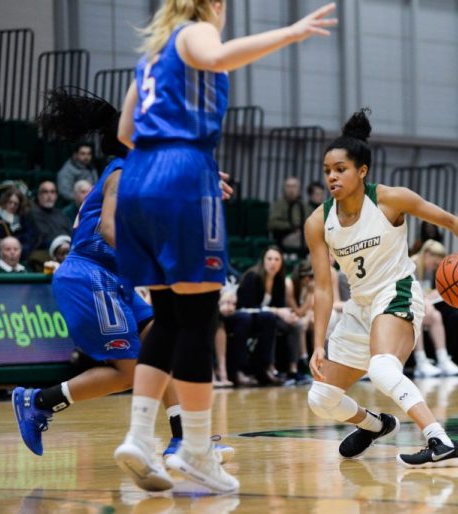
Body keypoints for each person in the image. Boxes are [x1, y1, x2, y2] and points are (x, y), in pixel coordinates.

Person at [112, 0, 337, 494]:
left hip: (139, 178)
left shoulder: (151, 55)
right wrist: (291, 33)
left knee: (168, 317)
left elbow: (126, 132)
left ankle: (138, 437)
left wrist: (175, 161)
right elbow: (215, 56)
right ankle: (196, 450)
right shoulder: (195, 31)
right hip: (182, 174)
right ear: (214, 5)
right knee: (198, 317)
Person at [12, 89, 233, 469]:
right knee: (127, 371)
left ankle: (183, 439)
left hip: (111, 278)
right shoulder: (122, 171)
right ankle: (37, 402)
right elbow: (110, 228)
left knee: (165, 341)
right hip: (89, 274)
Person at [305, 109, 458, 468]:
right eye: (327, 170)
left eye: (341, 169)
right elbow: (323, 289)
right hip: (360, 306)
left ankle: (441, 442)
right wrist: (318, 343)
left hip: (396, 292)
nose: (332, 176)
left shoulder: (390, 199)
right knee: (321, 398)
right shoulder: (318, 221)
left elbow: (448, 220)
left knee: (382, 368)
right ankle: (375, 425)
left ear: (362, 171)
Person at [236, 245, 310, 385]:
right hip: (249, 316)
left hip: (268, 316)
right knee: (270, 320)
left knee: (296, 324)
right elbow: (248, 306)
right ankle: (269, 368)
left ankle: (293, 370)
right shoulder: (252, 276)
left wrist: (289, 315)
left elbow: (280, 306)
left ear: (281, 262)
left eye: (277, 259)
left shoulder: (279, 280)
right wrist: (277, 311)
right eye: (269, 259)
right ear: (263, 260)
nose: (273, 263)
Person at [410, 240, 458, 377]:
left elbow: (425, 291)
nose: (435, 267)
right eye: (434, 264)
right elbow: (410, 292)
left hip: (420, 304)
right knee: (419, 314)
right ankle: (420, 361)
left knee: (436, 316)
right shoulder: (411, 266)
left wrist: (432, 295)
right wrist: (425, 299)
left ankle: (442, 359)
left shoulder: (427, 269)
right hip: (405, 304)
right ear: (427, 254)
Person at [27, 181, 72, 266]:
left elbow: (70, 233)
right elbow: (43, 237)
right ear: (39, 195)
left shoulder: (61, 214)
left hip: (67, 251)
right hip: (44, 254)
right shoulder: (32, 214)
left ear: (56, 196)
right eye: (45, 192)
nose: (49, 195)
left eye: (52, 192)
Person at [268, 176, 307, 250]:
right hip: (284, 236)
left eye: (294, 187)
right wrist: (293, 226)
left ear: (298, 189)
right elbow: (272, 223)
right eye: (288, 186)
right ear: (284, 189)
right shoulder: (279, 205)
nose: (291, 190)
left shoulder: (304, 206)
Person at [0, 187, 32, 253]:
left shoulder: (22, 219)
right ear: (5, 202)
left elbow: (27, 237)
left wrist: (11, 240)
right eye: (10, 202)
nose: (12, 206)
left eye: (16, 204)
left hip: (17, 249)